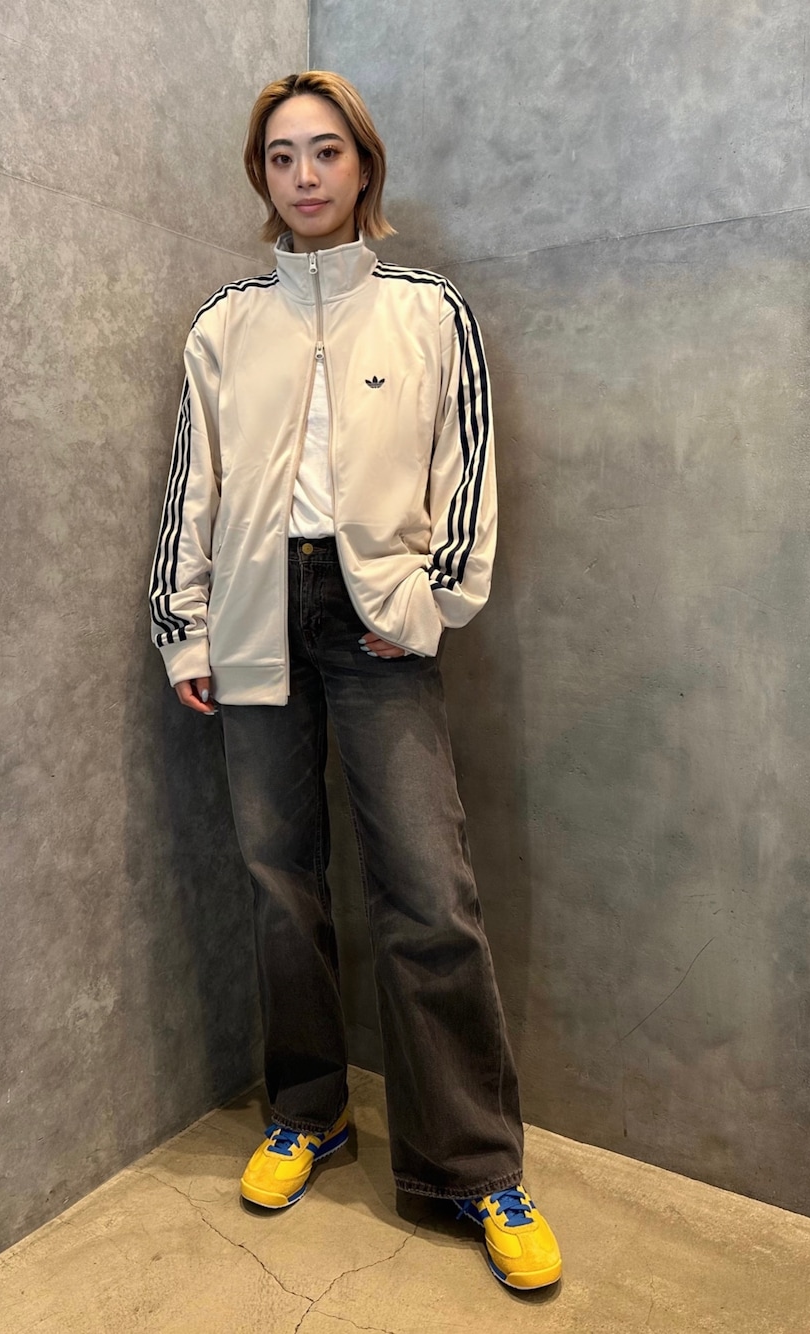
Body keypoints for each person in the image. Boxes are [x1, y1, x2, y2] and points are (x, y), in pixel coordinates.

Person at [148, 70, 562, 1291]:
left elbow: (468, 468)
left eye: (325, 151)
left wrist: (430, 602)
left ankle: (471, 1164)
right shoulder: (224, 324)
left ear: (363, 165)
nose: (306, 175)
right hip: (252, 610)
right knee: (279, 878)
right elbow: (193, 483)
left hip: (378, 612)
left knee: (428, 890)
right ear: (262, 176)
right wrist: (183, 627)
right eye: (282, 157)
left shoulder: (429, 311)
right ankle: (309, 1110)